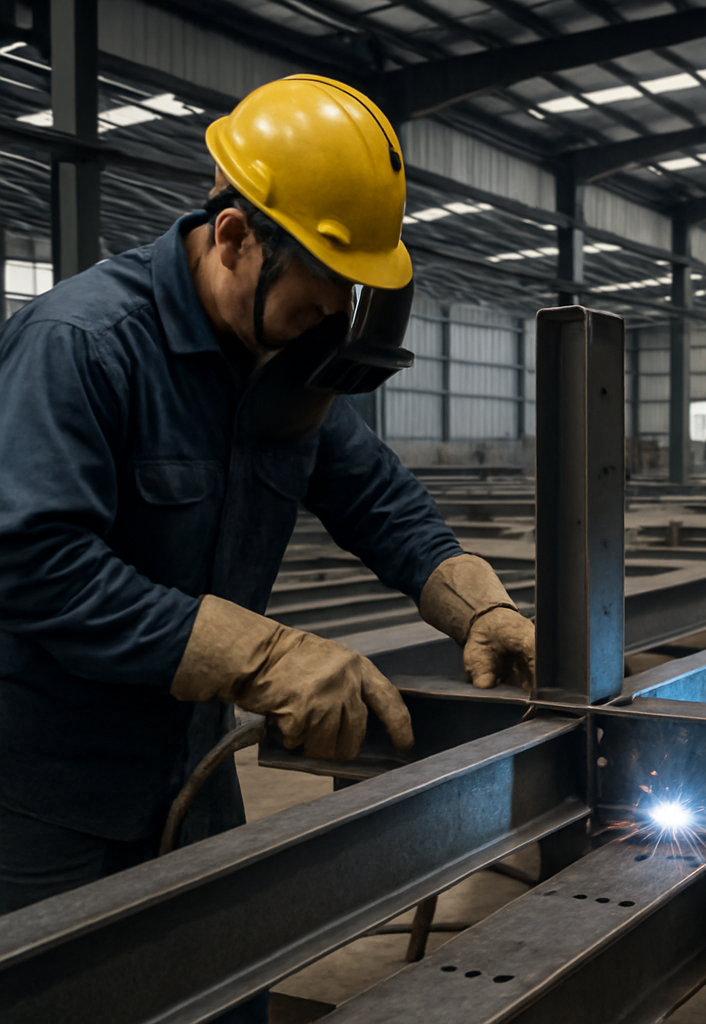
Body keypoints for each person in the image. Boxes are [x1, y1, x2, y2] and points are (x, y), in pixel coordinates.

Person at [0, 74, 536, 946]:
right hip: (44, 792)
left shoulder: (283, 361)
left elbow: (375, 497)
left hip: (191, 766)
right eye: (321, 289)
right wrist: (263, 655)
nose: (332, 318)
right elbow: (33, 565)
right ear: (235, 237)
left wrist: (480, 607)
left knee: (218, 985)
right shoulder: (83, 346)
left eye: (348, 301)